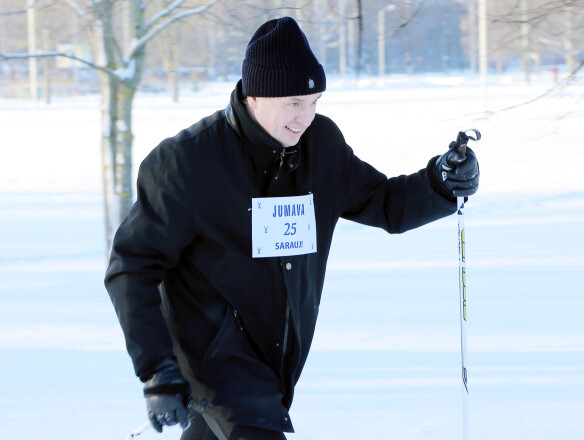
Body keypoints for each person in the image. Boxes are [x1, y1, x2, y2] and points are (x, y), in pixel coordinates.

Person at [105, 16, 479, 440]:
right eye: (294, 103)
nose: (306, 116)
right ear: (254, 96)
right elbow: (131, 267)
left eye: (314, 100)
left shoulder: (321, 147)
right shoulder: (187, 163)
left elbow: (384, 203)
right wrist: (158, 373)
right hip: (212, 358)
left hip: (277, 357)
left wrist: (441, 184)